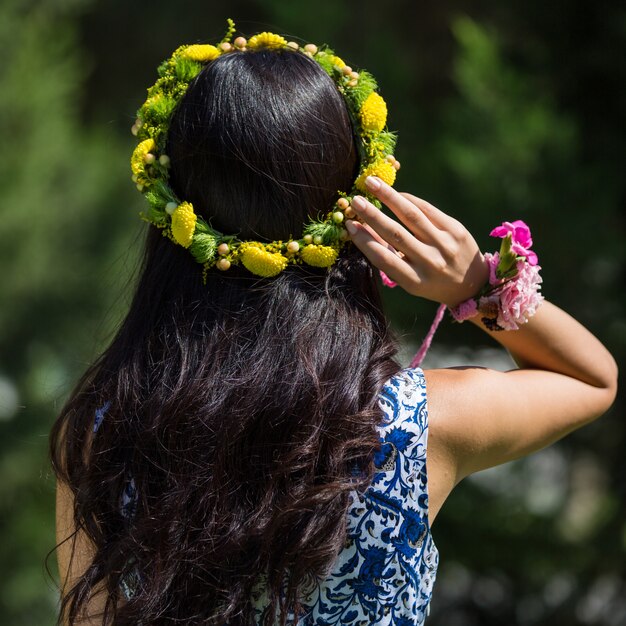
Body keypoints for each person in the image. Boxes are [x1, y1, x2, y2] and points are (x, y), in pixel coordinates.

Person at [50, 23, 618, 626]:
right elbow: (592, 380)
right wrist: (476, 286)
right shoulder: (413, 427)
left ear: (173, 213)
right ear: (351, 213)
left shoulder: (102, 432)